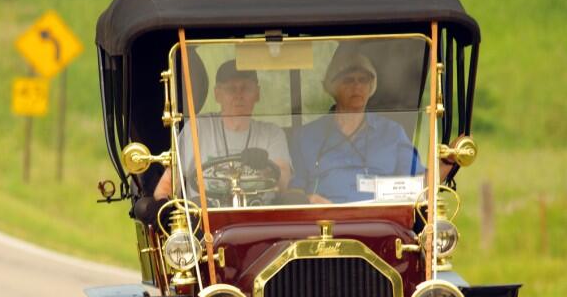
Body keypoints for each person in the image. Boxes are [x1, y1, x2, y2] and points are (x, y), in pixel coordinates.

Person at [290, 48, 452, 204]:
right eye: (348, 80)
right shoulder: (306, 136)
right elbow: (292, 192)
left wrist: (450, 162)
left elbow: (419, 184)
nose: (357, 86)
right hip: (323, 224)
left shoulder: (392, 133)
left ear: (371, 86)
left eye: (363, 80)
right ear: (332, 86)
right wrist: (309, 200)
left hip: (381, 222)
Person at [153, 59, 292, 204]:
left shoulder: (272, 134)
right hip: (204, 220)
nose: (239, 95)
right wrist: (164, 208)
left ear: (257, 93)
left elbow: (283, 180)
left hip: (260, 219)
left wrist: (266, 168)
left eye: (245, 88)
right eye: (231, 89)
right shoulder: (197, 129)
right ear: (217, 94)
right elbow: (166, 186)